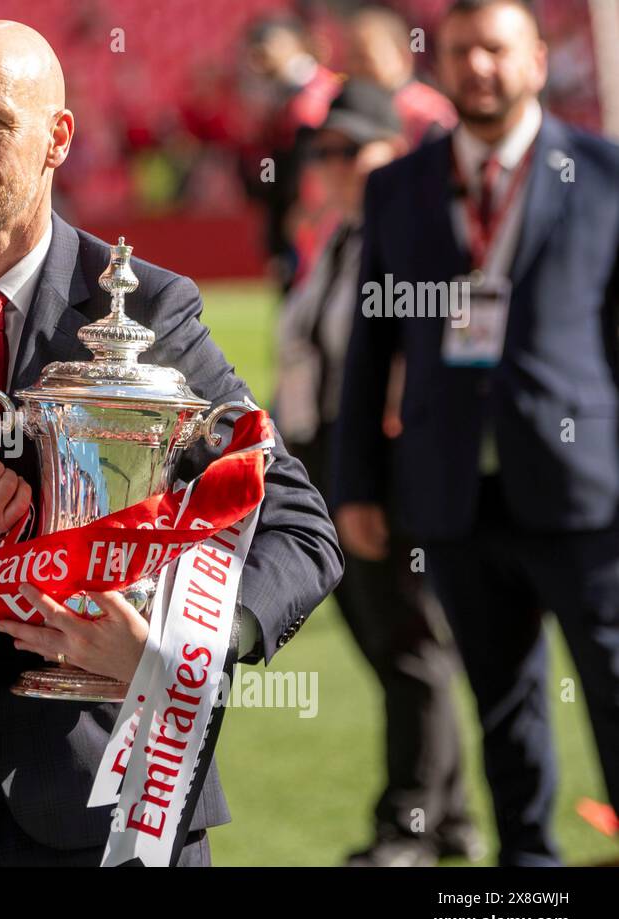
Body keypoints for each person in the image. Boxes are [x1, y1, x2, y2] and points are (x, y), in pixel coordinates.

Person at [0, 20, 342, 867]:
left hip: (116, 800)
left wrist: (176, 652)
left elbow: (298, 522)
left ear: (58, 138)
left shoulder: (147, 308)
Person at [335, 0, 619, 866]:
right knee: (501, 701)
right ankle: (528, 870)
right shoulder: (400, 184)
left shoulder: (605, 175)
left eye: (495, 49)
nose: (478, 67)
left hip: (581, 488)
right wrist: (356, 482)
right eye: (460, 52)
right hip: (451, 489)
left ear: (537, 57)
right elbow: (369, 343)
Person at [276, 80, 480, 866]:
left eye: (349, 149)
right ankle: (451, 820)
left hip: (385, 461)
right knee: (386, 643)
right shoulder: (335, 239)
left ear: (396, 152)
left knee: (408, 645)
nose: (332, 163)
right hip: (326, 455)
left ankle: (410, 826)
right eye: (323, 151)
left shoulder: (419, 235)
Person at [242, 16, 341, 291]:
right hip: (298, 222)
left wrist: (299, 213)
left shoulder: (315, 96)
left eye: (264, 47)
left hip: (314, 224)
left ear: (293, 44)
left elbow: (304, 166)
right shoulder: (282, 96)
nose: (256, 57)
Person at [345, 6, 458, 147]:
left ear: (403, 56)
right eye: (351, 58)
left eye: (364, 58)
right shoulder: (348, 104)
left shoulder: (427, 113)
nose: (355, 67)